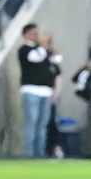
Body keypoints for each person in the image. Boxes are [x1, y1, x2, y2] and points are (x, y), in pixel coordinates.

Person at [18, 23, 60, 158]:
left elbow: (56, 61)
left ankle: (40, 154)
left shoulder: (43, 50)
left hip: (45, 91)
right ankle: (29, 154)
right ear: (25, 35)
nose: (36, 36)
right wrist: (43, 46)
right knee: (31, 123)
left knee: (42, 125)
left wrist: (50, 47)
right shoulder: (24, 50)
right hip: (31, 90)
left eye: (37, 33)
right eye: (33, 33)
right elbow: (36, 58)